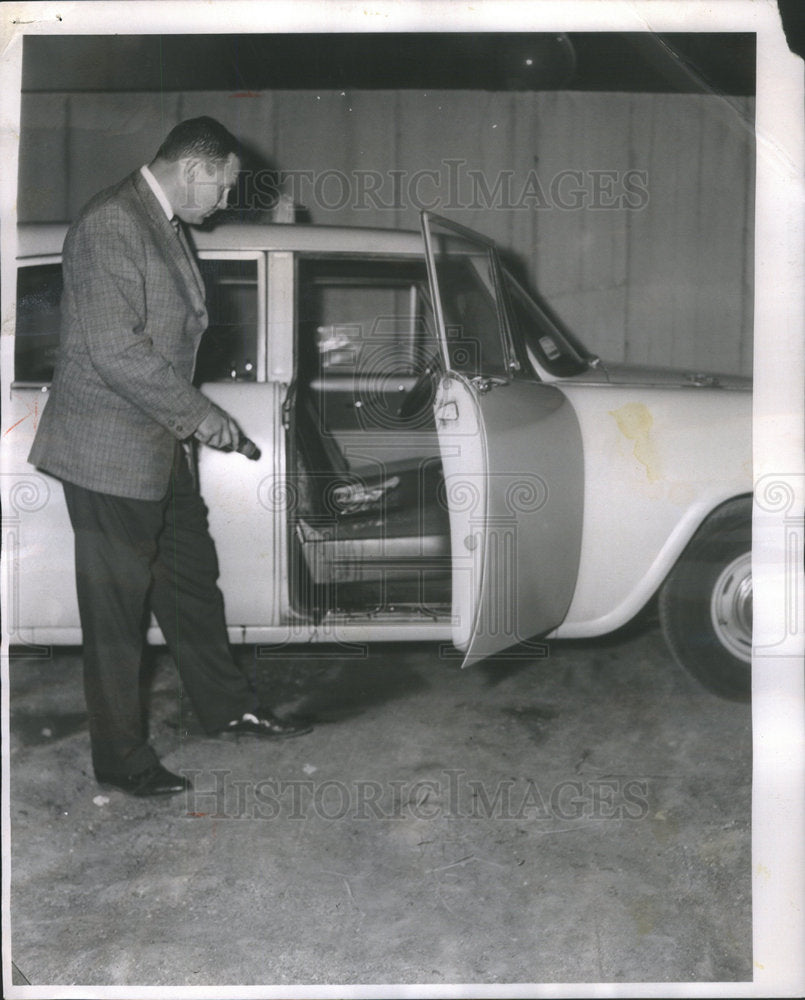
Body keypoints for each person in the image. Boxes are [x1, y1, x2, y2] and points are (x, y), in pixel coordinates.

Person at [28, 117, 311, 798]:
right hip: (109, 452)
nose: (226, 199)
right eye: (225, 185)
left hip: (158, 443)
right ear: (193, 168)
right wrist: (202, 416)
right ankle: (121, 760)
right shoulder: (111, 222)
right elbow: (115, 350)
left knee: (190, 581)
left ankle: (228, 707)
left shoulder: (161, 221)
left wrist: (186, 423)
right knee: (117, 616)